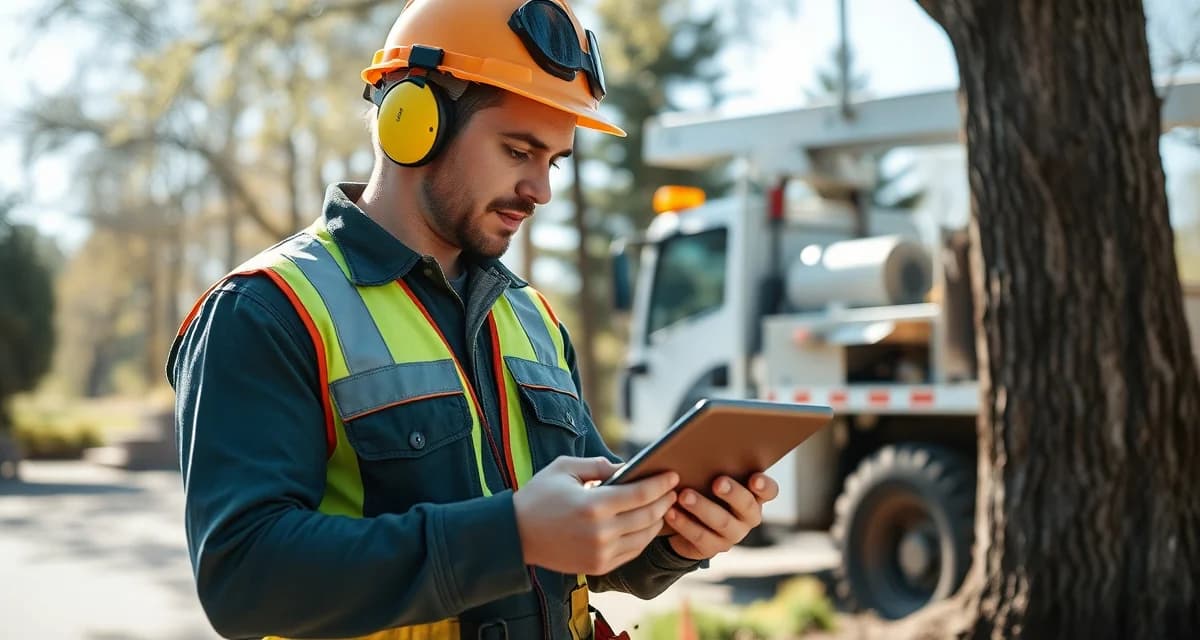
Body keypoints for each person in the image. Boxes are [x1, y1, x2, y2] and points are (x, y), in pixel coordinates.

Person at [167, 1, 779, 638]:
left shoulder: (533, 319)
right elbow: (242, 579)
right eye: (519, 150)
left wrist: (675, 538)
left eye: (555, 162)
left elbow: (589, 549)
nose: (541, 190)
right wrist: (511, 535)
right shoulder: (265, 311)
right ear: (414, 122)